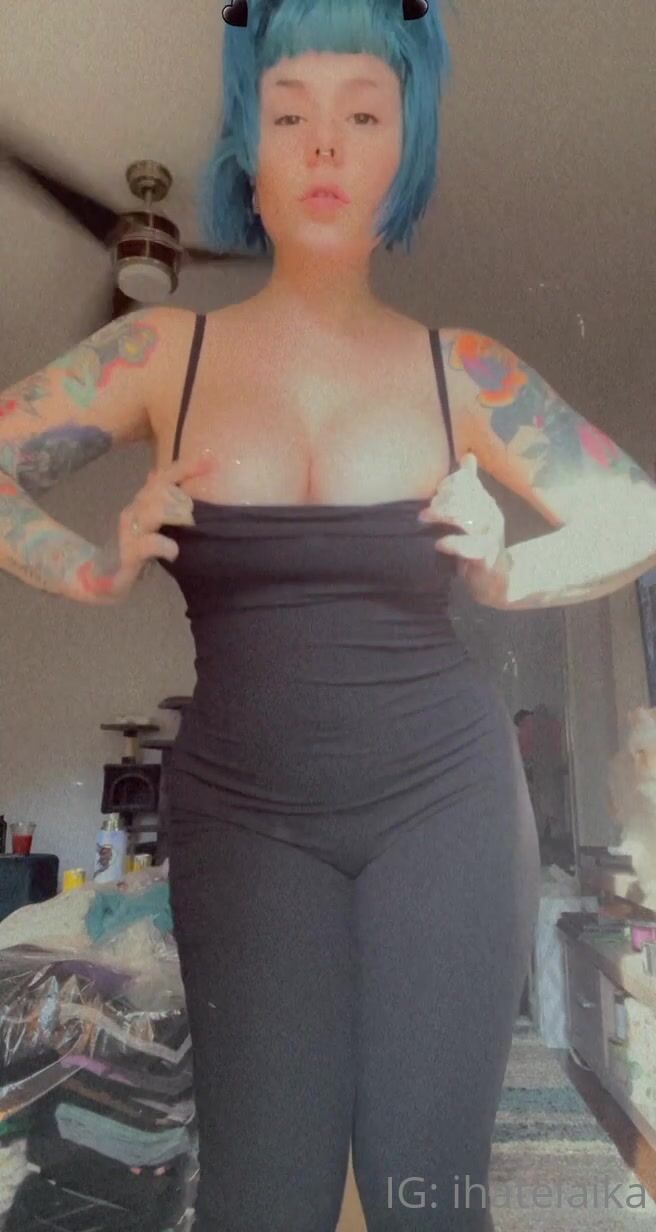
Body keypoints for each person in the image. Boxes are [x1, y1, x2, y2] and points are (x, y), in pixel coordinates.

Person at [2, 0, 656, 1228]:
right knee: (264, 1196)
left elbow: (633, 511)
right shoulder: (163, 352)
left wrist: (509, 572)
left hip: (444, 804)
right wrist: (89, 565)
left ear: (403, 145)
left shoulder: (460, 371)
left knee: (424, 1193)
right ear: (246, 143)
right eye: (288, 112)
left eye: (362, 114)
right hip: (244, 813)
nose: (321, 144)